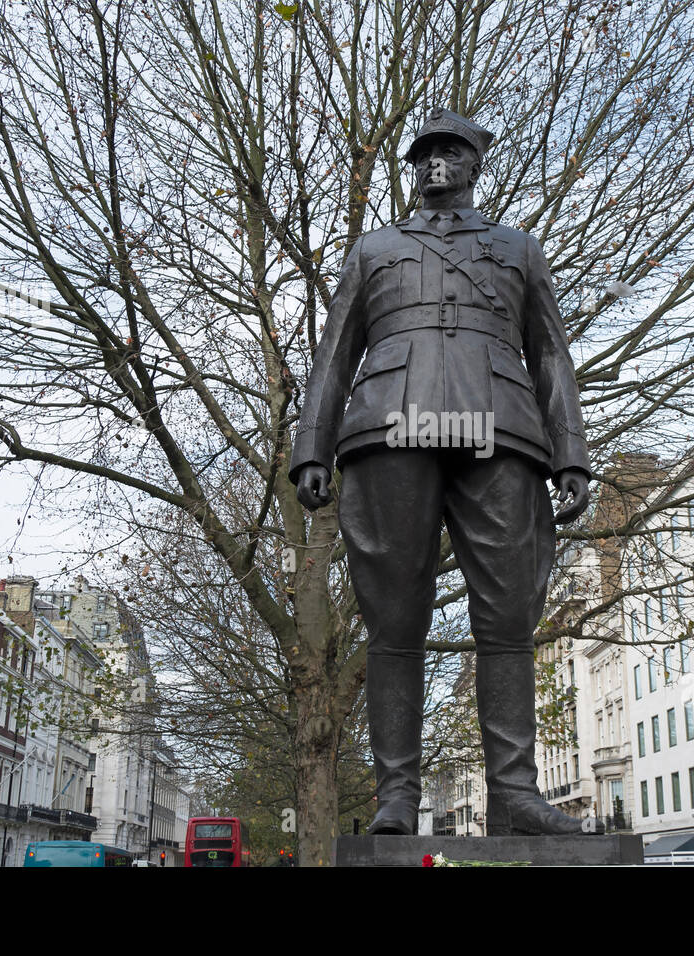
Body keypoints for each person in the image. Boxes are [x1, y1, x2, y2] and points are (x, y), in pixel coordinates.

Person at [289, 108, 597, 836]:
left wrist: (572, 451)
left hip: (502, 430)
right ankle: (396, 794)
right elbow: (335, 352)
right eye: (423, 153)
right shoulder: (373, 249)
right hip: (389, 425)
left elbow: (550, 353)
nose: (434, 163)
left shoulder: (520, 249)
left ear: (473, 165)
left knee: (509, 615)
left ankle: (515, 794)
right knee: (393, 618)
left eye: (448, 151)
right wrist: (312, 444)